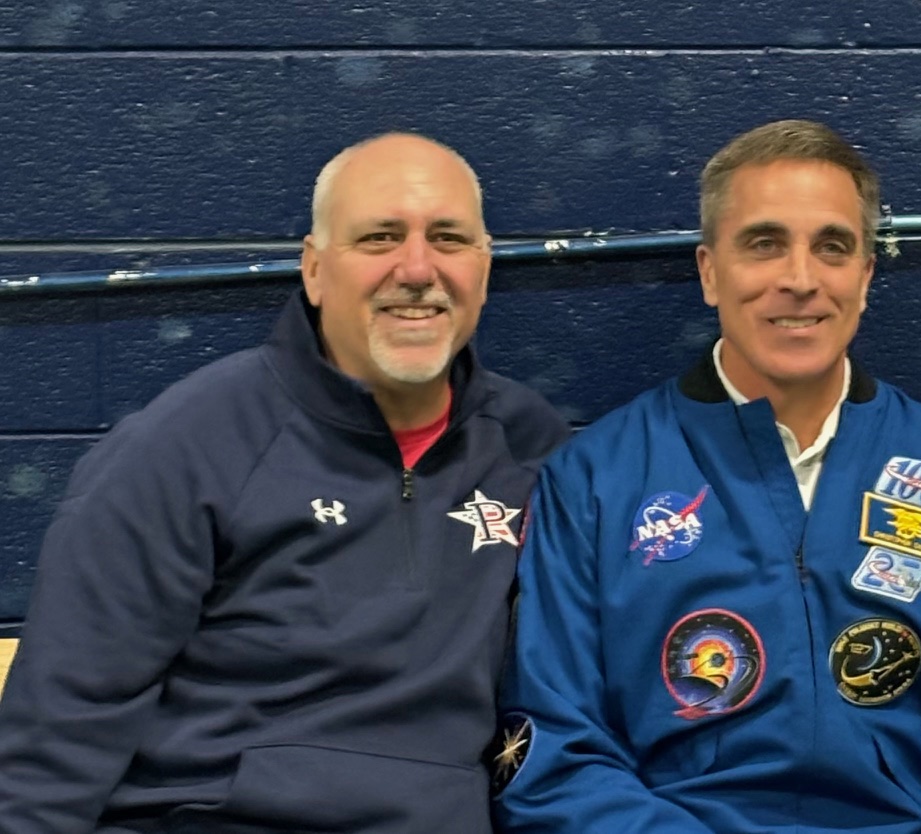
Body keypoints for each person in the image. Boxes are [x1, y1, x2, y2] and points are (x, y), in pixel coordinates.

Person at [493, 119, 921, 834]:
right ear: (708, 270)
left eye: (832, 247)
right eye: (763, 244)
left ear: (866, 276)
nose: (800, 280)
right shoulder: (594, 481)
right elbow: (552, 751)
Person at [0, 132, 570, 832]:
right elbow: (58, 733)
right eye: (379, 238)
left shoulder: (531, 446)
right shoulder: (184, 445)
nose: (417, 268)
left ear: (483, 269)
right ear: (314, 270)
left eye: (448, 239)